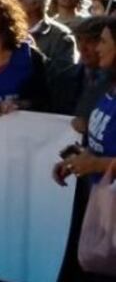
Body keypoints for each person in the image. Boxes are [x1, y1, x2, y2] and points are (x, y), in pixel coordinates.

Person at [55, 16, 116, 282]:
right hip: (103, 209)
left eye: (102, 41)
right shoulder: (109, 89)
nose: (95, 48)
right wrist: (82, 157)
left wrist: (97, 165)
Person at [15, 0, 80, 114]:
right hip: (12, 110)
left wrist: (35, 53)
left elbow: (64, 77)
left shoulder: (60, 36)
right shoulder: (10, 32)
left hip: (44, 113)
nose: (13, 5)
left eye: (18, 0)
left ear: (35, 4)